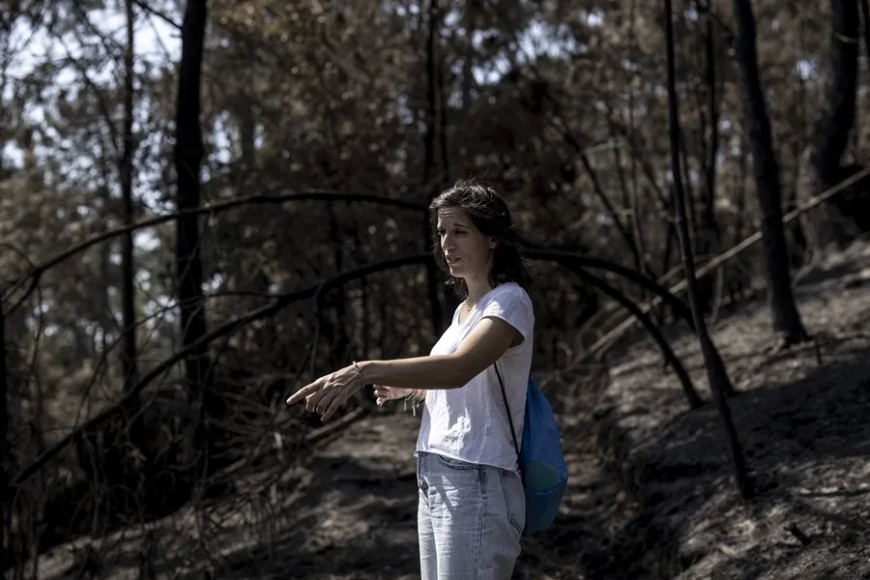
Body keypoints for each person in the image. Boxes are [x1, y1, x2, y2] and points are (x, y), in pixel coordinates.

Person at [286, 178, 535, 580]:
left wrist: (363, 370)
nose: (446, 244)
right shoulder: (463, 313)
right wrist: (415, 387)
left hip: (479, 479)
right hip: (436, 473)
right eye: (441, 233)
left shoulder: (509, 301)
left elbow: (459, 369)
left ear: (492, 238)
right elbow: (467, 382)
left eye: (459, 232)